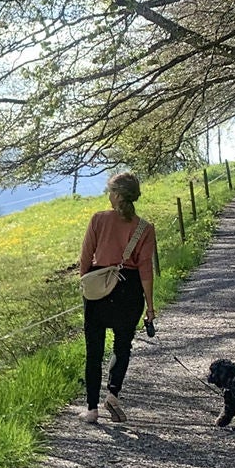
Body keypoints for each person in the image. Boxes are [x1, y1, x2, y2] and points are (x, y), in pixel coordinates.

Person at [77, 171, 157, 424]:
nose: (109, 195)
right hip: (130, 289)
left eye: (111, 191)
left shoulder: (98, 220)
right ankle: (112, 393)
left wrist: (87, 286)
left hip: (100, 286)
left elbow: (85, 258)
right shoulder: (145, 228)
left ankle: (91, 409)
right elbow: (146, 269)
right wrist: (151, 306)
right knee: (122, 346)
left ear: (119, 195)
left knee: (94, 349)